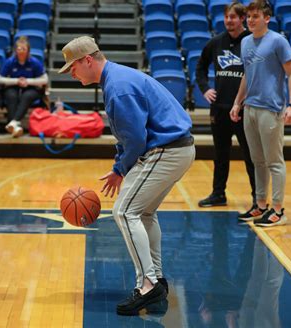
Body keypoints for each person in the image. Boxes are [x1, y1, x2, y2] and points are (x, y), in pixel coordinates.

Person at [59, 36, 195, 315]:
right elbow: (129, 135)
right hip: (176, 148)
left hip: (166, 150)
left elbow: (135, 139)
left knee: (124, 212)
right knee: (143, 213)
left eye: (72, 67)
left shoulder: (118, 87)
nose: (71, 73)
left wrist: (122, 168)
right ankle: (155, 282)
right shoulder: (117, 78)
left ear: (87, 60)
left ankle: (147, 285)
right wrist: (119, 166)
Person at [230, 0, 291, 227]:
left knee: (274, 161)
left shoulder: (278, 41)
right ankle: (260, 205)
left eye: (255, 16)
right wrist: (237, 102)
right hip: (250, 108)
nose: (250, 20)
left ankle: (278, 210)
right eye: (248, 16)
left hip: (271, 108)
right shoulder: (246, 42)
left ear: (266, 18)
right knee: (257, 160)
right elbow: (247, 75)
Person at [196, 2, 256, 209]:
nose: (229, 21)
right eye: (227, 17)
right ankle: (218, 194)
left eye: (233, 17)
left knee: (250, 155)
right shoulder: (216, 43)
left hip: (244, 109)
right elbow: (200, 67)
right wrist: (205, 88)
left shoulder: (251, 42)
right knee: (220, 154)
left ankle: (258, 197)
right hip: (220, 109)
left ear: (242, 19)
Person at [0, 36, 48, 137]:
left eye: (23, 49)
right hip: (14, 86)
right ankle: (15, 126)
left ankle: (13, 123)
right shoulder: (10, 61)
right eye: (19, 48)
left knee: (27, 96)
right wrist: (16, 81)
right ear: (15, 50)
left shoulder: (34, 62)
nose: (21, 51)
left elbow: (45, 80)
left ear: (28, 50)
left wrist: (28, 81)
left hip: (32, 88)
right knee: (11, 95)